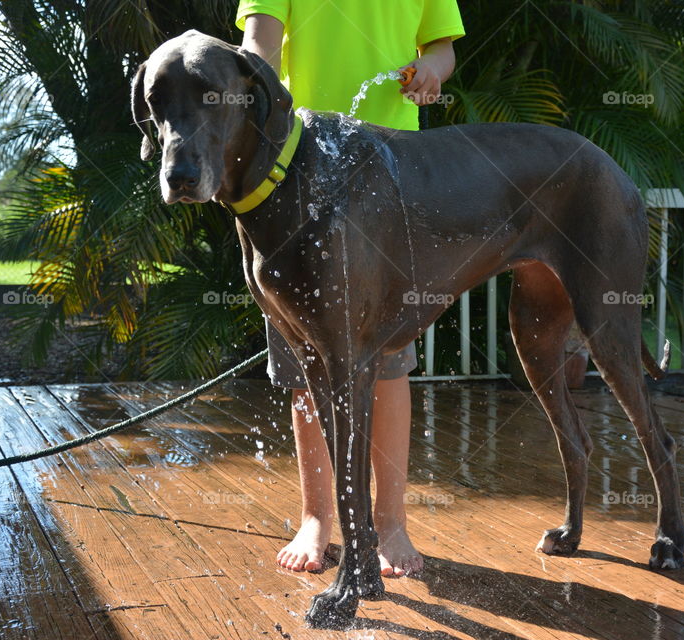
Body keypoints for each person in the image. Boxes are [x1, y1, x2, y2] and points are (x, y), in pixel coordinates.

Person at [236, 1, 464, 577]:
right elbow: (258, 50)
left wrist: (433, 70)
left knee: (388, 360)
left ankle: (390, 523)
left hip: (392, 173)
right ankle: (317, 519)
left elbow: (443, 49)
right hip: (296, 167)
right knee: (305, 361)